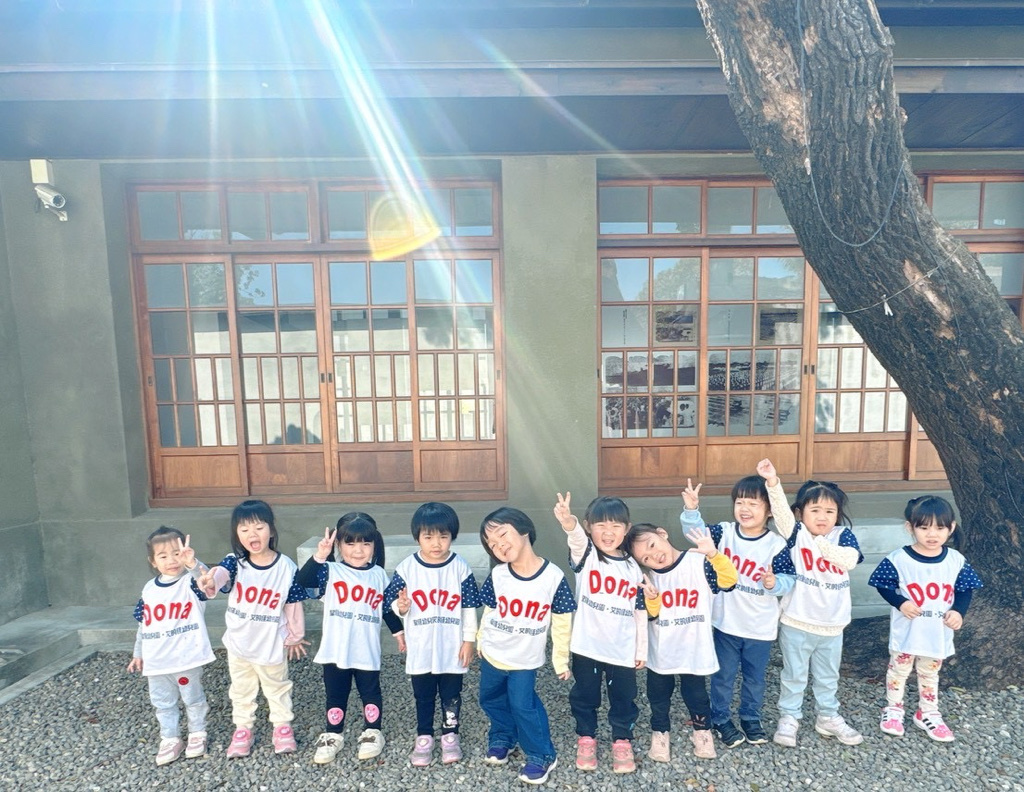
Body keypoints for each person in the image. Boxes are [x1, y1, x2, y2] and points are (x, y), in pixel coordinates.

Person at [198, 499, 310, 758]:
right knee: (241, 688)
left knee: (277, 686)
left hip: (270, 642)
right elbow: (219, 577)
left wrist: (295, 636)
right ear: (236, 533)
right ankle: (243, 729)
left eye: (259, 527)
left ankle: (282, 727)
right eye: (244, 529)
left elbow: (293, 604)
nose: (252, 534)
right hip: (239, 643)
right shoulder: (235, 563)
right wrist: (209, 580)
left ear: (271, 530)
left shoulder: (286, 567)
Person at [688, 461, 788, 749]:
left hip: (761, 627)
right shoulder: (725, 532)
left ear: (769, 510)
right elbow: (697, 534)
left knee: (755, 679)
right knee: (723, 677)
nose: (745, 509)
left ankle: (750, 718)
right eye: (740, 502)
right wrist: (692, 511)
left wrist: (774, 583)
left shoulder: (777, 544)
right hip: (726, 623)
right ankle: (721, 719)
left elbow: (788, 581)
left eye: (753, 504)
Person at [868, 496, 982, 742]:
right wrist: (900, 602)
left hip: (936, 632)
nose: (932, 534)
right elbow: (882, 584)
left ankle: (928, 712)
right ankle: (894, 708)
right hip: (907, 631)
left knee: (930, 673)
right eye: (924, 527)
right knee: (898, 671)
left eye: (940, 528)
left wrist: (958, 611)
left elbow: (965, 589)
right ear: (910, 527)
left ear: (951, 528)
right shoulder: (899, 558)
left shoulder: (955, 560)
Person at [296, 512, 407, 765]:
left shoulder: (378, 574)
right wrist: (320, 556)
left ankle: (372, 731)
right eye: (351, 543)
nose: (358, 550)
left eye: (366, 543)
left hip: (366, 649)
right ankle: (333, 734)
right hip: (335, 649)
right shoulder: (330, 571)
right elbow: (302, 581)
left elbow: (386, 608)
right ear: (339, 545)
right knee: (335, 694)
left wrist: (399, 633)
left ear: (375, 545)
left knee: (371, 692)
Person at [627, 513, 738, 763]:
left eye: (652, 545)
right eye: (645, 558)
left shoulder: (698, 561)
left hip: (694, 647)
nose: (654, 556)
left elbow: (729, 581)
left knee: (696, 694)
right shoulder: (648, 579)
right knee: (658, 695)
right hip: (662, 650)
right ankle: (660, 732)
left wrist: (714, 555)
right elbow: (650, 617)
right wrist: (652, 599)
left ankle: (702, 731)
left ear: (662, 533)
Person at [476, 507, 576, 785]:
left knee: (524, 706)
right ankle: (502, 737)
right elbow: (490, 611)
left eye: (502, 534)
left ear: (524, 530)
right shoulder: (498, 575)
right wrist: (481, 640)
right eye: (491, 543)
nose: (498, 545)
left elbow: (562, 621)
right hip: (493, 653)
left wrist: (560, 659)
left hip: (524, 660)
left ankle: (541, 755)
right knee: (491, 699)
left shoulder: (552, 577)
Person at [764, 477, 864, 748]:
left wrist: (820, 543)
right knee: (794, 675)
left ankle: (828, 716)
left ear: (838, 514)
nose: (822, 517)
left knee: (828, 676)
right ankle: (789, 717)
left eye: (830, 511)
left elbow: (849, 560)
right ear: (801, 513)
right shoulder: (796, 533)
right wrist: (772, 482)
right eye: (815, 510)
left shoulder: (842, 536)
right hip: (797, 621)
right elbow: (781, 513)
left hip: (833, 625)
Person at [553, 492, 646, 774]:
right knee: (585, 695)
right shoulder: (588, 557)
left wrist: (641, 649)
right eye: (600, 525)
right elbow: (576, 540)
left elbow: (639, 612)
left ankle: (622, 739)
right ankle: (586, 737)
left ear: (627, 529)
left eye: (616, 525)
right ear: (588, 526)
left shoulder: (633, 567)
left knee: (624, 697)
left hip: (621, 649)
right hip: (587, 646)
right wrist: (568, 523)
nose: (608, 532)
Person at [382, 502, 480, 767]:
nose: (436, 543)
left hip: (452, 645)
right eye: (428, 537)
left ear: (452, 537)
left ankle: (450, 735)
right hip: (421, 645)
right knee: (423, 694)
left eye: (443, 536)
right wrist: (401, 607)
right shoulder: (407, 568)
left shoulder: (460, 566)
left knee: (452, 694)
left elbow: (469, 607)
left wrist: (469, 640)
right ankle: (424, 735)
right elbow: (392, 602)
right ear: (417, 537)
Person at [128, 527, 215, 766]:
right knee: (162, 702)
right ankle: (170, 737)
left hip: (186, 657)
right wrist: (138, 652)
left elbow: (206, 580)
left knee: (193, 698)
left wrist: (193, 563)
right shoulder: (149, 589)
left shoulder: (191, 582)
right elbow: (144, 624)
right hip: (157, 660)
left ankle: (197, 732)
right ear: (153, 561)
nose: (171, 560)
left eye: (177, 553)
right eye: (163, 556)